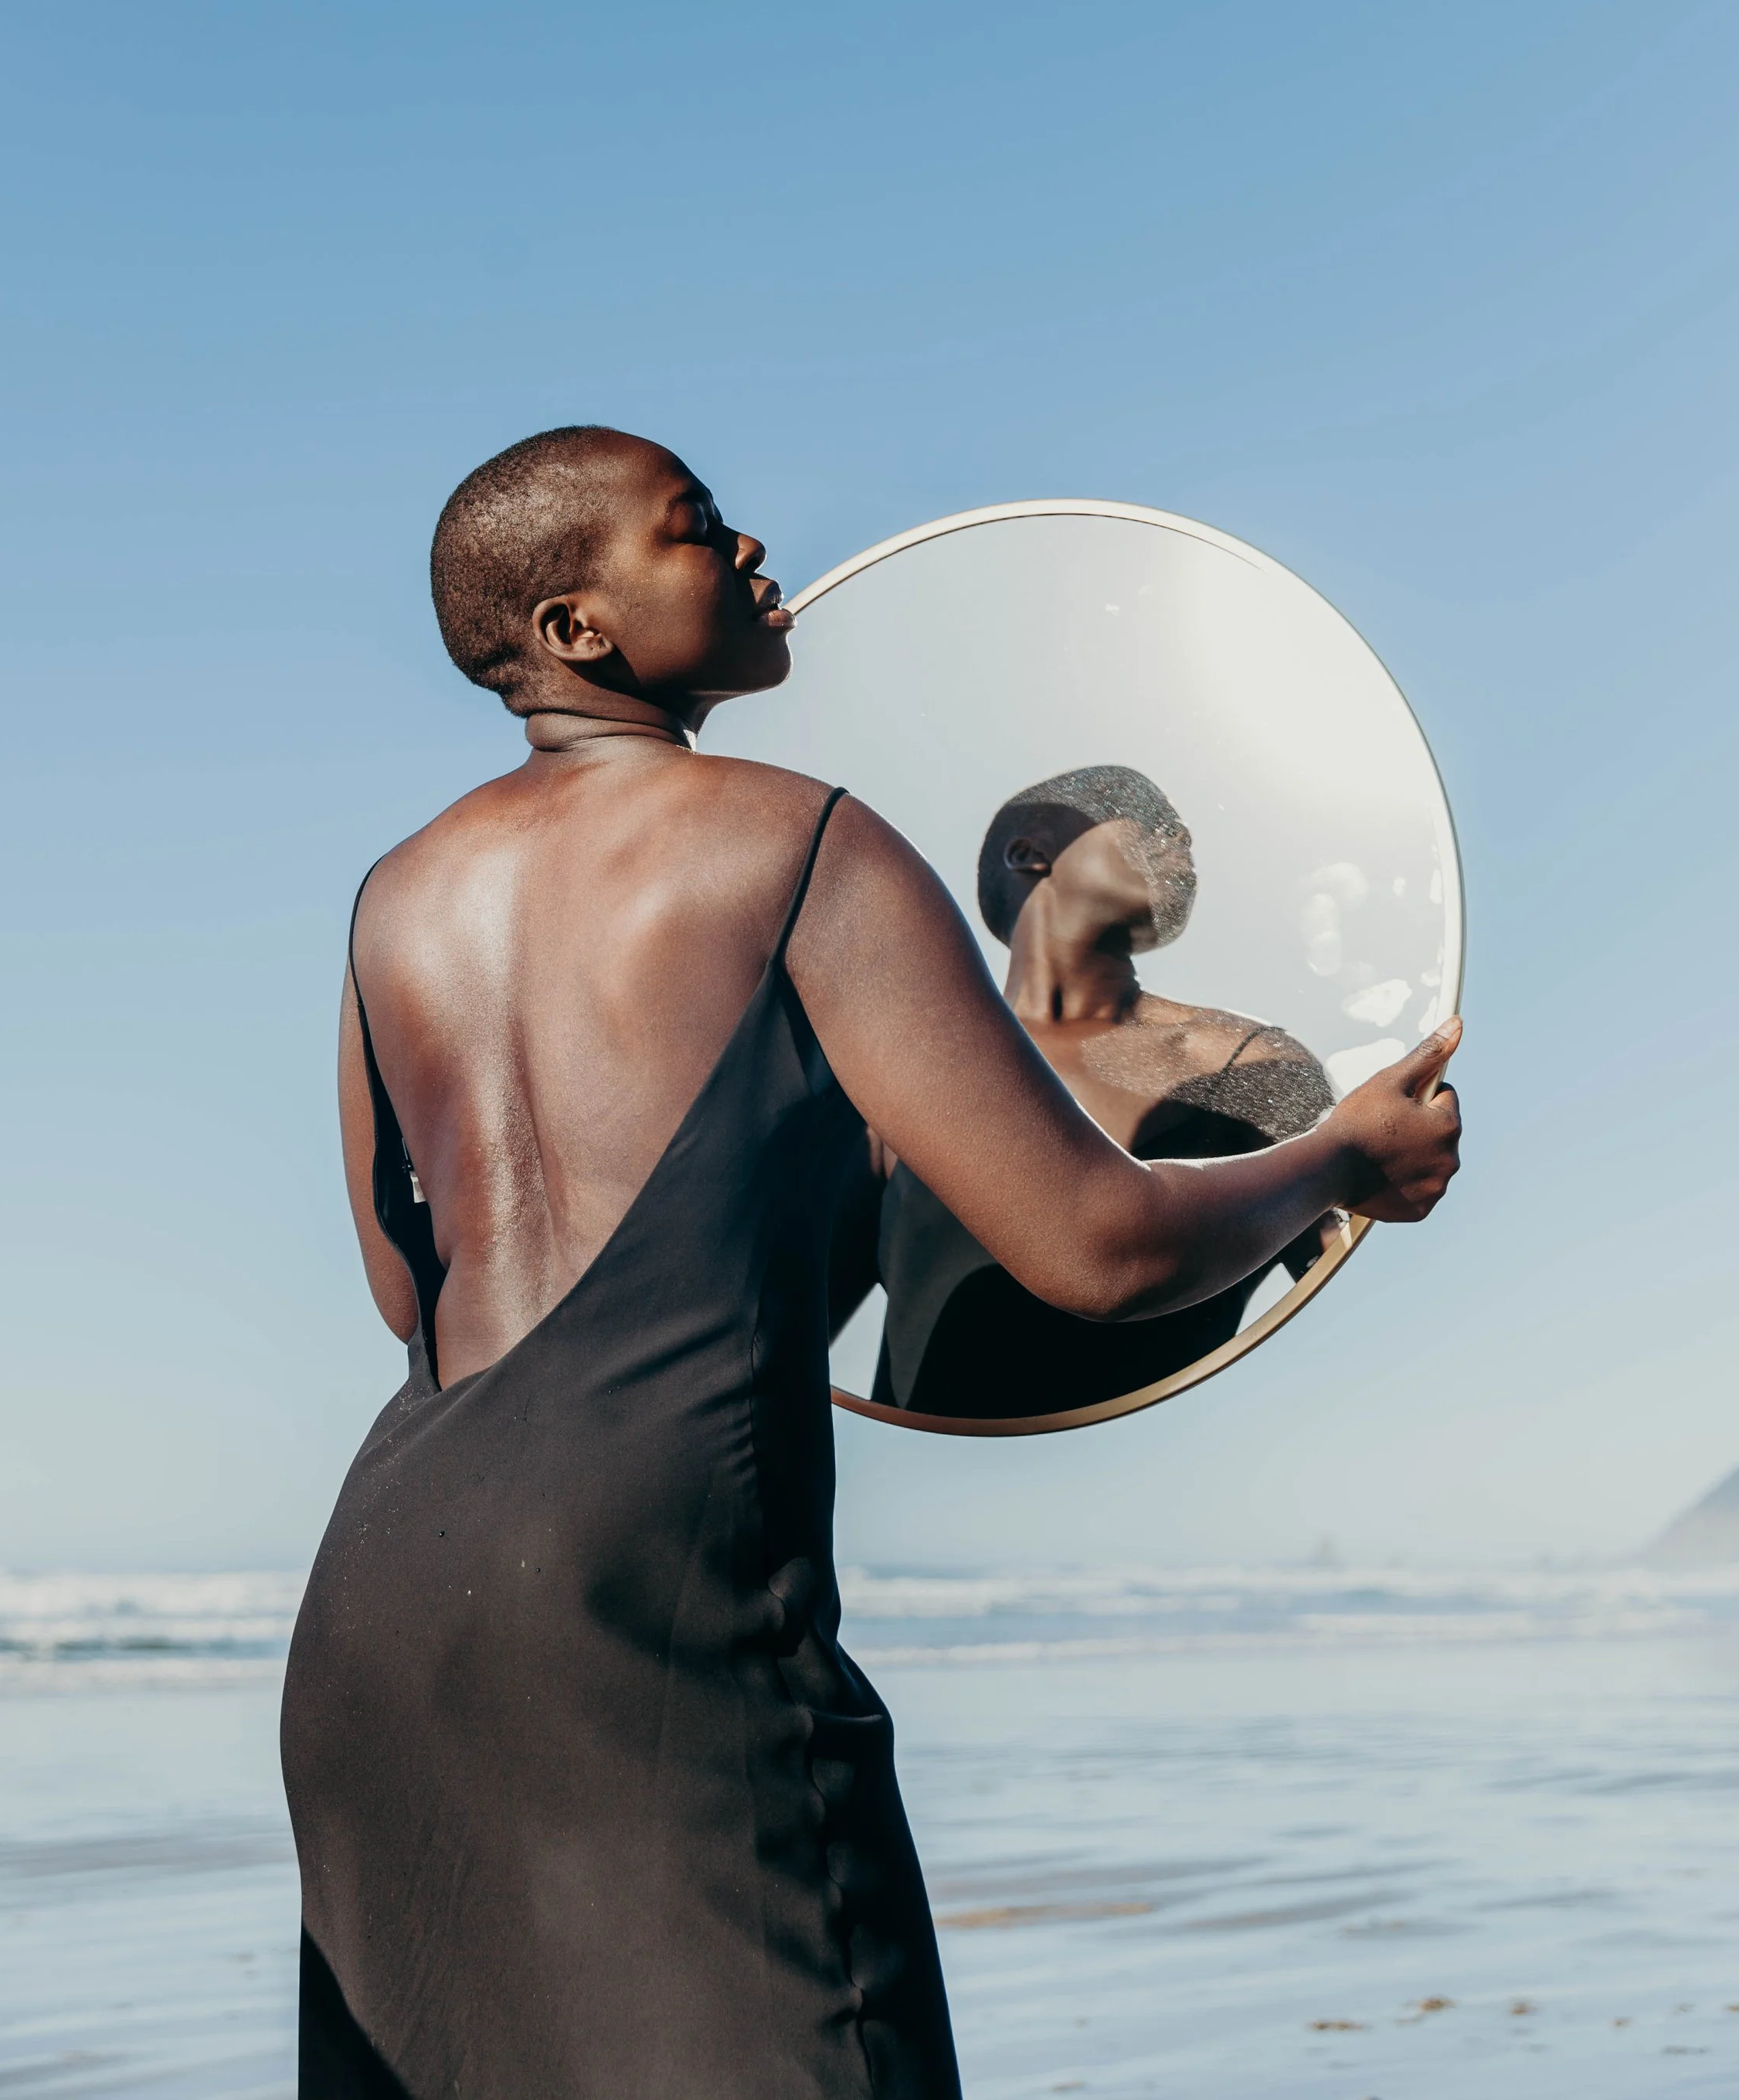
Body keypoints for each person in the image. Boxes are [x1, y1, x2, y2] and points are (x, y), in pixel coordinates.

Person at [280, 424, 1462, 2100]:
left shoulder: (395, 896)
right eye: (695, 529)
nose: (754, 549)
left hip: (387, 1608)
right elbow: (1095, 1249)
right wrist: (1341, 1154)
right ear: (573, 631)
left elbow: (412, 1293)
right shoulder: (795, 841)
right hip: (656, 1599)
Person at [869, 766, 1343, 1422]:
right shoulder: (892, 1085)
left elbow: (1352, 1289)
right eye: (1142, 812)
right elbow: (776, 1327)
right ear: (1031, 853)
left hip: (1153, 1498)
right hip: (921, 1501)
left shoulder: (1253, 1066)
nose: (1181, 835)